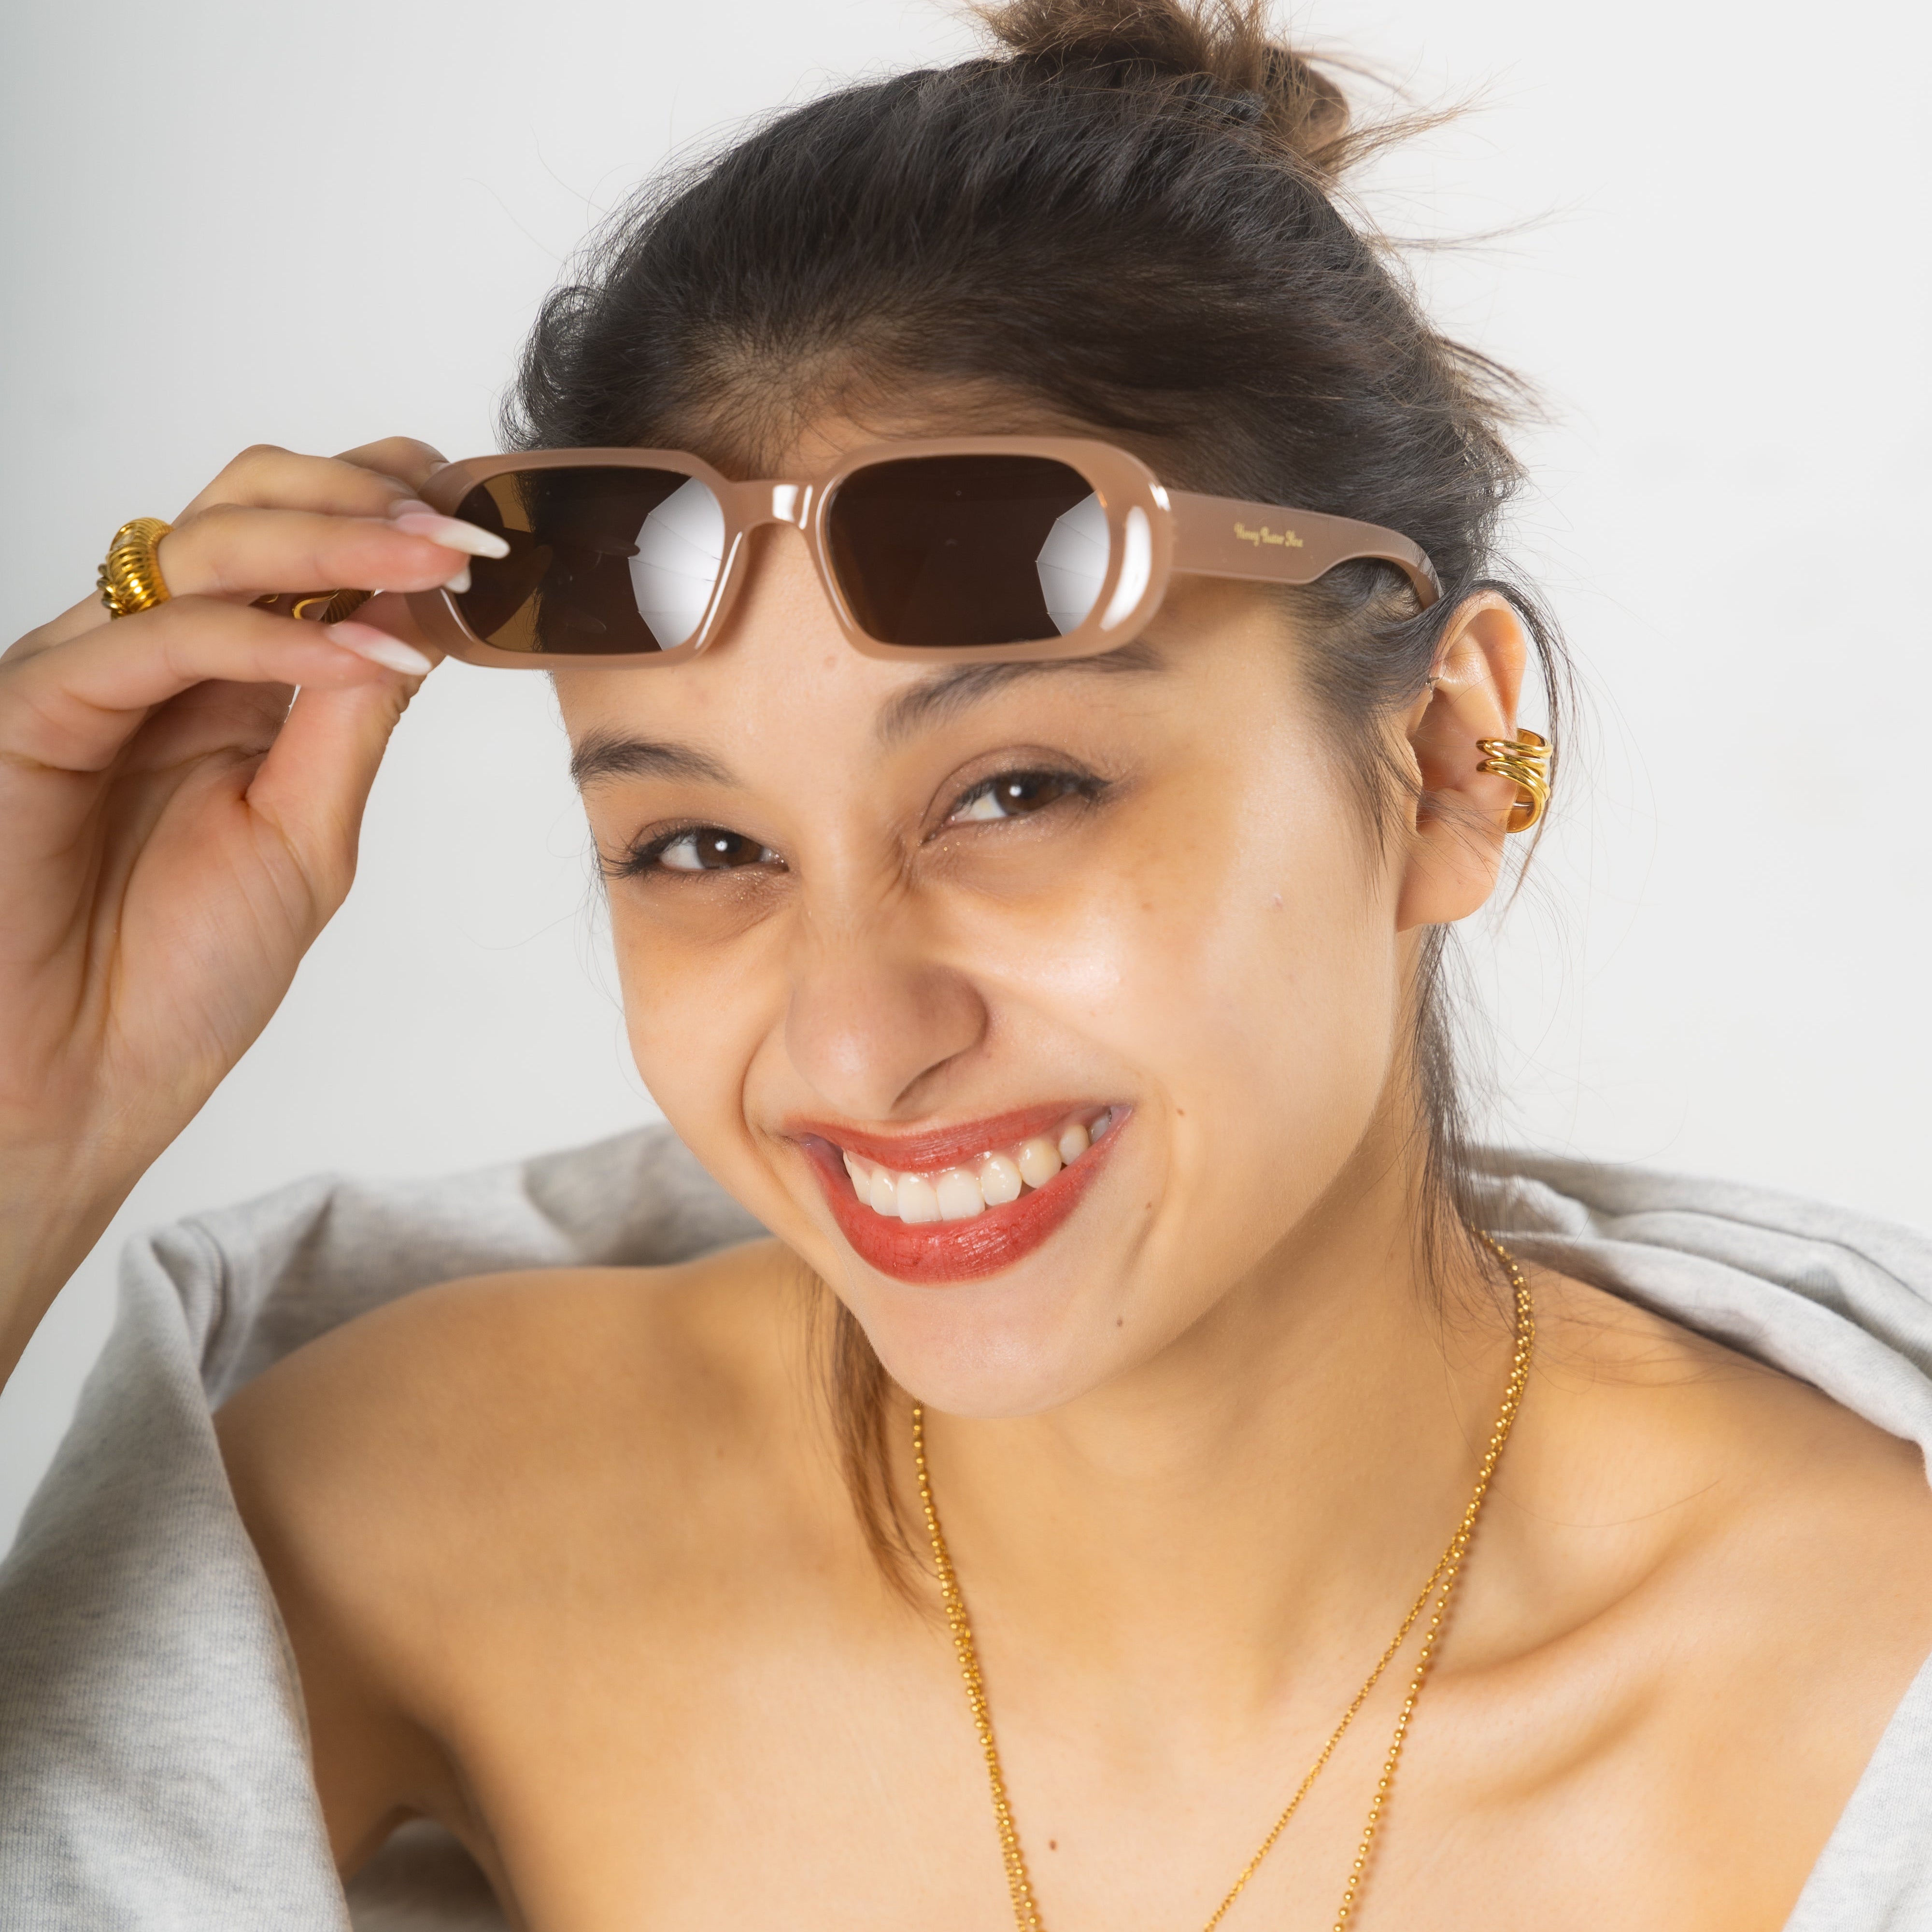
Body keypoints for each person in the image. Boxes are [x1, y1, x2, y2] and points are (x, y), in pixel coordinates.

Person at [5, 3, 1932, 1926]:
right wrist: (25, 1124)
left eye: (1016, 792)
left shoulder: (1866, 1684)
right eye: (702, 848)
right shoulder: (416, 1528)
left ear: (1443, 759)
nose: (854, 1041)